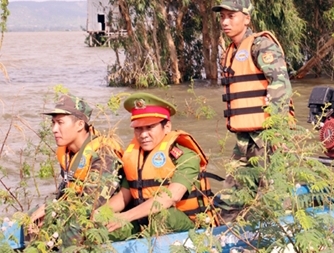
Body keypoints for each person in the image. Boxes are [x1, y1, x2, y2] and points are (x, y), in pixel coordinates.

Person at [212, 0, 294, 218]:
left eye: (231, 16)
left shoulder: (262, 46)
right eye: (222, 17)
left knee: (275, 197)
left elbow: (281, 86)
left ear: (246, 18)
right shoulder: (230, 51)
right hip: (244, 138)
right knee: (230, 198)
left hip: (267, 136)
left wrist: (276, 129)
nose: (225, 22)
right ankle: (230, 237)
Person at [102, 92, 218, 239]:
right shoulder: (135, 157)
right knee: (104, 229)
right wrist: (101, 214)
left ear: (167, 126)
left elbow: (171, 197)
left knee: (161, 215)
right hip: (143, 221)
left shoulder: (186, 156)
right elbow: (124, 196)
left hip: (188, 225)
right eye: (138, 128)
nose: (143, 135)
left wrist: (126, 216)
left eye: (149, 127)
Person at [29, 93, 123, 246]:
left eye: (60, 123)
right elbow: (65, 190)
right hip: (74, 210)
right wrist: (47, 209)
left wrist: (52, 210)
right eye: (53, 123)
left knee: (71, 228)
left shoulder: (103, 154)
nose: (54, 129)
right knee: (31, 216)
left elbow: (90, 204)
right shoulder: (69, 152)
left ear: (80, 125)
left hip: (104, 216)